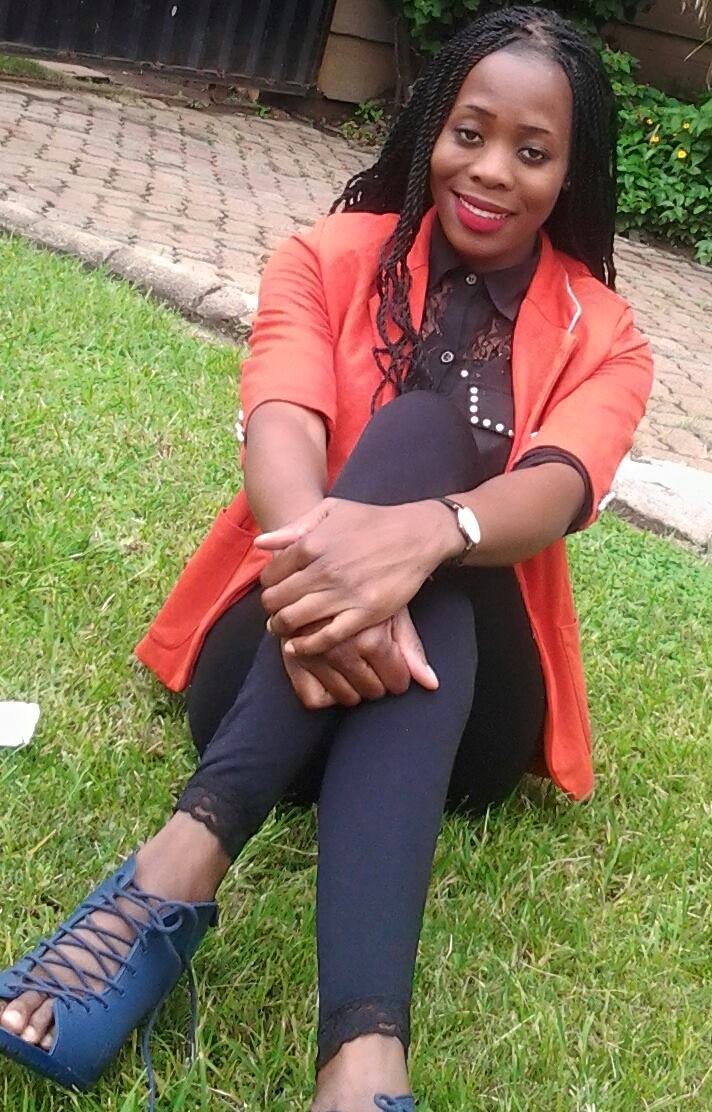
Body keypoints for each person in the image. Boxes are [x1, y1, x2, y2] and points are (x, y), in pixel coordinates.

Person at [0, 7, 653, 1111]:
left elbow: (559, 485)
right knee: (417, 453)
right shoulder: (326, 257)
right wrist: (335, 583)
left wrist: (427, 536)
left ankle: (174, 870)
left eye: (532, 151)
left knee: (431, 486)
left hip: (465, 729)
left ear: (569, 171)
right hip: (272, 660)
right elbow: (281, 425)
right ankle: (363, 1061)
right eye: (470, 133)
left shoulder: (606, 334)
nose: (492, 170)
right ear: (430, 129)